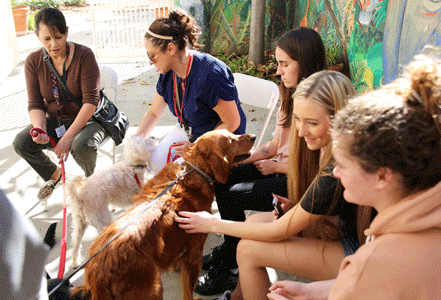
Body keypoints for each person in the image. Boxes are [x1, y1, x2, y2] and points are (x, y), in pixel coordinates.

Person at [177, 70, 372, 300]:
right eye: (298, 120)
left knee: (248, 250)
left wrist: (211, 224)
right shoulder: (326, 149)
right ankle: (238, 296)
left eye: (311, 122)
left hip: (361, 254)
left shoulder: (337, 167)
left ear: (339, 118)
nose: (300, 131)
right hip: (344, 229)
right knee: (255, 221)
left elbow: (279, 230)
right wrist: (295, 209)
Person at [268, 54, 441, 300]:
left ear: (382, 175)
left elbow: (365, 280)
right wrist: (308, 291)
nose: (336, 172)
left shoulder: (375, 262)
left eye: (344, 165)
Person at [193, 27, 328, 297]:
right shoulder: (288, 93)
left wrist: (277, 167)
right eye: (277, 63)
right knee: (225, 177)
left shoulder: (318, 104)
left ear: (306, 62)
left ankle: (231, 264)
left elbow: (315, 169)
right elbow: (275, 145)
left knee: (232, 197)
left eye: (284, 64)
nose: (278, 71)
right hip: (280, 168)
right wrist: (241, 159)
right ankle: (231, 252)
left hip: (295, 178)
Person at [134, 8, 246, 174]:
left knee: (178, 177)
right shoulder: (168, 72)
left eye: (152, 56)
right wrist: (135, 144)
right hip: (192, 130)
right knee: (155, 163)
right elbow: (154, 113)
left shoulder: (210, 73)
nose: (150, 62)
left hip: (221, 139)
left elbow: (232, 122)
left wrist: (197, 148)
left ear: (171, 49)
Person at [13, 8, 107, 200]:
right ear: (37, 36)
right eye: (47, 39)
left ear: (67, 31)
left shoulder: (84, 55)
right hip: (57, 121)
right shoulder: (33, 61)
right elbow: (35, 104)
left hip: (88, 120)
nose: (54, 44)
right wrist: (39, 129)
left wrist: (67, 138)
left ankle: (91, 186)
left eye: (59, 36)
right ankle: (54, 174)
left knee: (81, 145)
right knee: (21, 143)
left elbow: (91, 102)